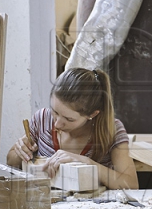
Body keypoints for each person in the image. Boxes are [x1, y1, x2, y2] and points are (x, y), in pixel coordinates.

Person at [7, 68, 138, 190]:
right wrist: (20, 152)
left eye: (69, 119)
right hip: (45, 208)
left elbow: (131, 184)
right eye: (55, 112)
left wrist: (87, 163)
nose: (57, 124)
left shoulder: (111, 130)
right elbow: (10, 162)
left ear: (92, 115)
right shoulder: (42, 119)